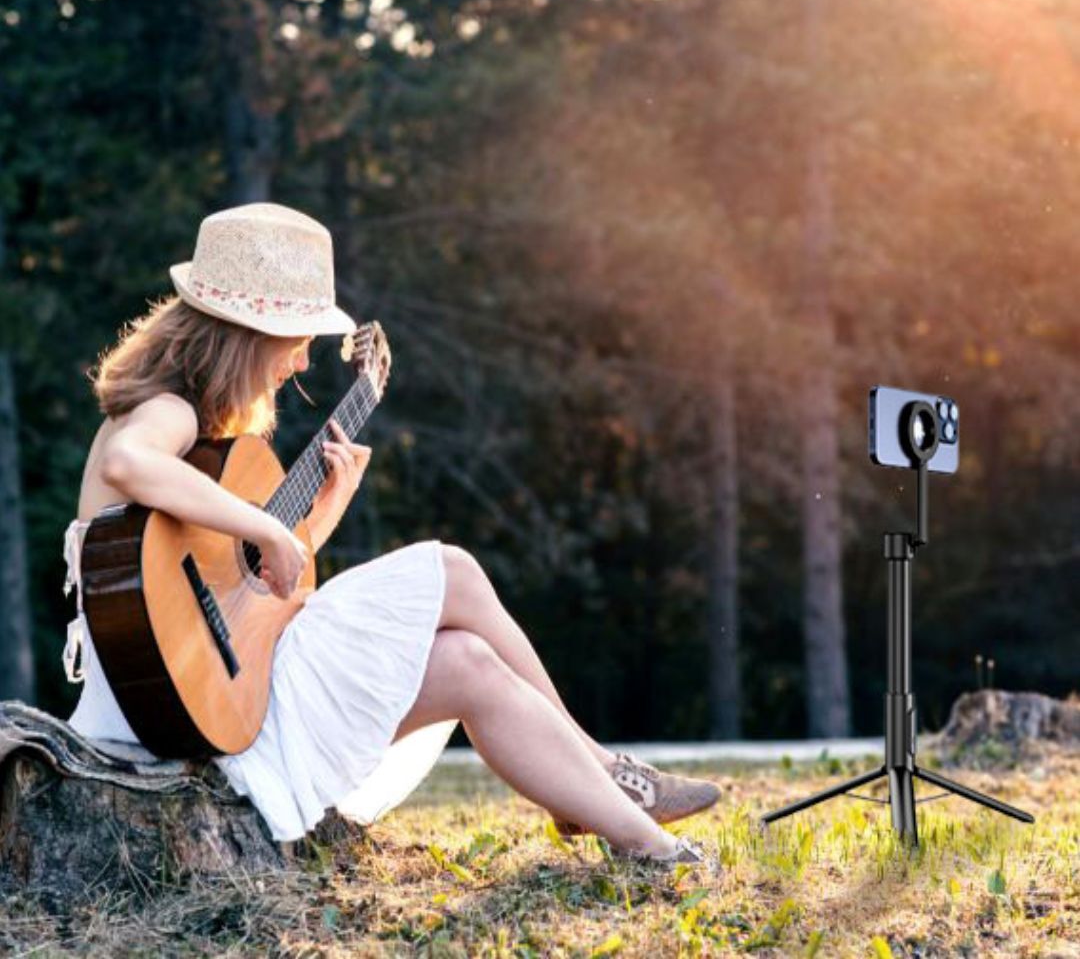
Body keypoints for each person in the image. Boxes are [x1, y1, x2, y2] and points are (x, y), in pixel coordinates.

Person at [60, 202, 719, 866]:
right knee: (454, 569)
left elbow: (255, 605)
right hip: (170, 714)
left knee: (469, 664)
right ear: (254, 334)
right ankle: (606, 773)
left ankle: (638, 838)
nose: (303, 364)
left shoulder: (207, 443)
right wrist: (268, 525)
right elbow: (130, 463)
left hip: (211, 701)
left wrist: (322, 511)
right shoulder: (163, 410)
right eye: (299, 342)